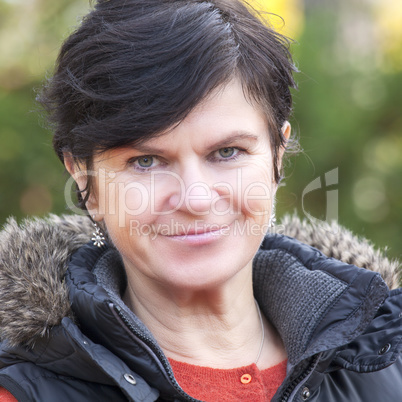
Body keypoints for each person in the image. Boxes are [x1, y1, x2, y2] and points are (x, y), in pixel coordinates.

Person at [0, 0, 401, 401]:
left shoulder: (388, 355)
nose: (195, 197)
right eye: (145, 161)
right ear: (84, 178)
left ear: (277, 157)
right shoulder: (20, 391)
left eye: (227, 152)